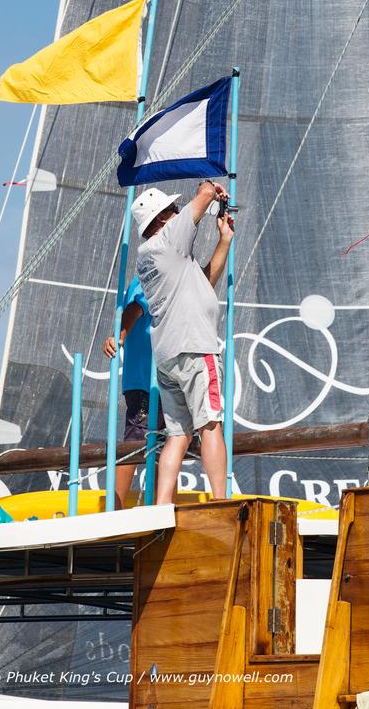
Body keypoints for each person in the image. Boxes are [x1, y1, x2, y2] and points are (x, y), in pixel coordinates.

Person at [132, 181, 234, 505]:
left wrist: (224, 241)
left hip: (167, 356)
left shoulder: (147, 257)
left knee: (177, 435)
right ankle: (221, 504)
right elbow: (203, 194)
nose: (177, 213)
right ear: (161, 219)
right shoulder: (167, 239)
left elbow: (202, 282)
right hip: (195, 345)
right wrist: (213, 187)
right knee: (211, 424)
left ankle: (162, 506)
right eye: (171, 211)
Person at [101, 276, 164, 509]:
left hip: (164, 382)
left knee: (165, 449)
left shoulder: (171, 273)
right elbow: (135, 308)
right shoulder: (148, 276)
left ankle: (163, 507)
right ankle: (114, 510)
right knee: (136, 443)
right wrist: (119, 336)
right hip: (145, 381)